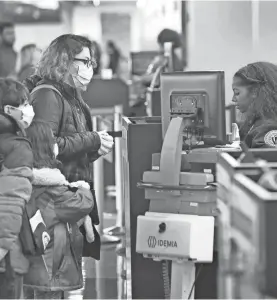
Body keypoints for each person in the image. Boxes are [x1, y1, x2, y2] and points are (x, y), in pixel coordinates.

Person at [23, 34, 114, 259]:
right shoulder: (46, 95)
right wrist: (92, 139)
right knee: (52, 281)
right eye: (84, 61)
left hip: (69, 197)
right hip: (53, 200)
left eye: (91, 62)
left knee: (64, 278)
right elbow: (46, 149)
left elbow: (69, 144)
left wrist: (93, 150)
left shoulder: (71, 96)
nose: (89, 67)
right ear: (64, 60)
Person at [23, 121, 95, 299]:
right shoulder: (55, 192)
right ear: (47, 149)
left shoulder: (20, 184)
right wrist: (83, 187)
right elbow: (83, 203)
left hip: (26, 266)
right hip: (51, 270)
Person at [0, 78, 34, 298]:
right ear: (10, 110)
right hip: (7, 253)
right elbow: (10, 203)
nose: (29, 109)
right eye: (24, 104)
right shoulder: (18, 147)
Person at [232, 61, 277, 148]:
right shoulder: (255, 124)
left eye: (237, 93)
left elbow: (265, 159)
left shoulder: (268, 128)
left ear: (255, 92)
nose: (233, 99)